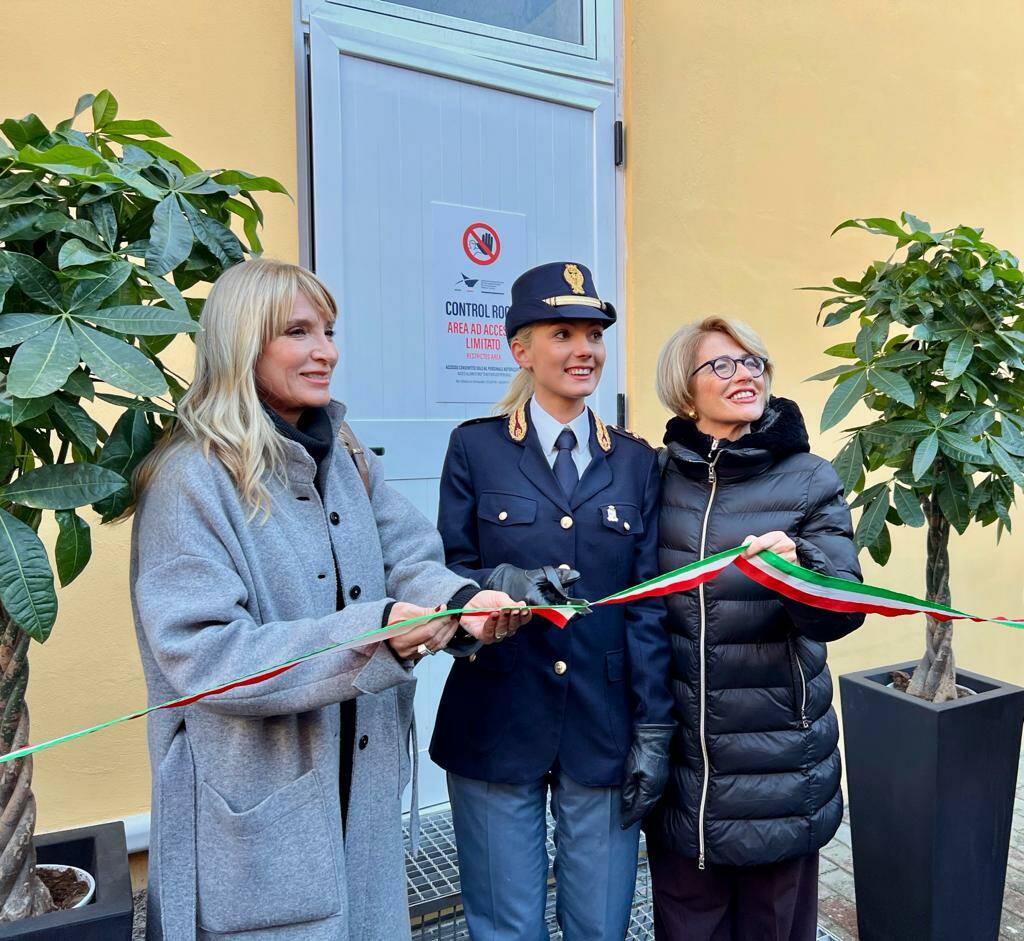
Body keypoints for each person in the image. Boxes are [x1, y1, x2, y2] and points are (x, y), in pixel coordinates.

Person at [129, 258, 526, 941]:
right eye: (298, 332)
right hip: (253, 826)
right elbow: (203, 656)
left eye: (330, 330)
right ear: (241, 344)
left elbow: (410, 558)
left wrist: (460, 604)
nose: (327, 351)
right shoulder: (188, 479)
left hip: (359, 796)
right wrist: (374, 633)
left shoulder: (343, 451)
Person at [430, 261, 675, 941]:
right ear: (521, 349)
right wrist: (498, 585)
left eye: (593, 334)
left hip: (602, 723)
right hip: (496, 715)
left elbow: (648, 607)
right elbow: (447, 573)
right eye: (562, 332)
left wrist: (654, 727)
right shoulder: (475, 448)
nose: (584, 349)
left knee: (600, 922)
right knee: (505, 924)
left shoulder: (633, 459)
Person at [646, 316, 864, 940]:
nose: (744, 374)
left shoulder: (809, 477)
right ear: (684, 391)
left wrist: (800, 571)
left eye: (753, 363)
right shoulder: (654, 477)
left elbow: (841, 610)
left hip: (780, 770)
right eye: (722, 364)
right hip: (685, 772)